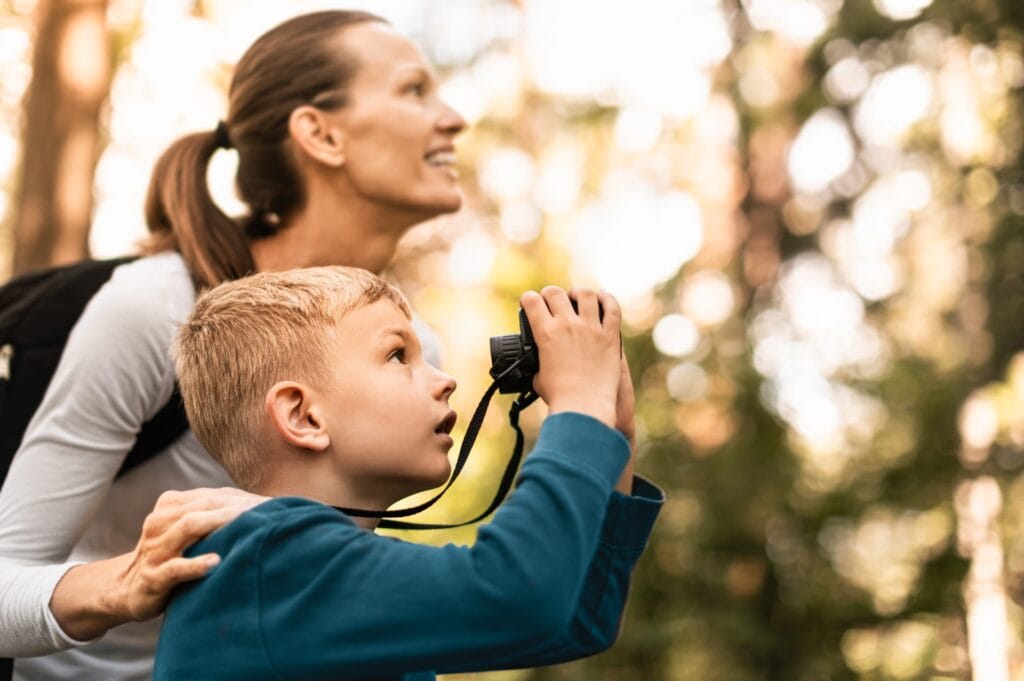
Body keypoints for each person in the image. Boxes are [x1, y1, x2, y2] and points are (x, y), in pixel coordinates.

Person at [0, 10, 467, 680]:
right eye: (414, 90)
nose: (452, 118)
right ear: (320, 133)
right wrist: (128, 581)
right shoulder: (156, 307)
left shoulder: (415, 352)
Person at [154, 267, 662, 680]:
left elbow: (580, 619)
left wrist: (611, 430)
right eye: (398, 354)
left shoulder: (328, 572)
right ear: (303, 416)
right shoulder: (267, 562)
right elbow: (520, 594)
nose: (446, 381)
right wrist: (577, 404)